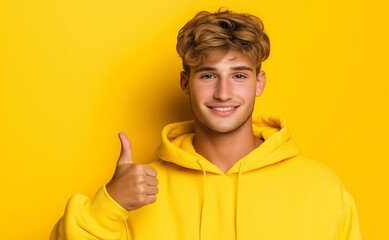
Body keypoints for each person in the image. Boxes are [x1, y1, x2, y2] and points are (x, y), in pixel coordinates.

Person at [50, 9, 362, 240]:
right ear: (186, 83)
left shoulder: (323, 190)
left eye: (239, 75)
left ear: (259, 83)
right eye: (208, 75)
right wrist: (110, 204)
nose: (223, 92)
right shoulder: (139, 192)